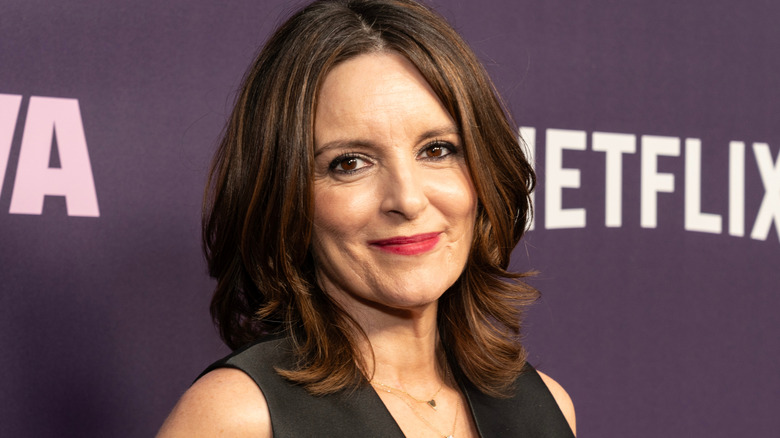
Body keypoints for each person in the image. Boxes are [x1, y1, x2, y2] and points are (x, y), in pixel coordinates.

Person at [158, 0, 575, 436]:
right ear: (285, 196)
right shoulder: (239, 417)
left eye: (437, 150)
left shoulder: (544, 405)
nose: (408, 200)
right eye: (350, 163)